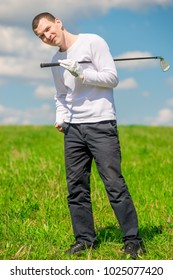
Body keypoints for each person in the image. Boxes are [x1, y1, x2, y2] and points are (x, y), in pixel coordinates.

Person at [32, 12, 143, 259]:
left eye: (48, 29)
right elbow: (61, 96)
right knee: (76, 188)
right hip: (73, 129)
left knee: (114, 184)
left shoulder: (92, 42)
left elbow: (112, 78)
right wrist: (61, 117)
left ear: (58, 22)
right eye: (41, 36)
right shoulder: (55, 60)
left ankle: (133, 240)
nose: (47, 36)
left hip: (101, 124)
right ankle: (85, 239)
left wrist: (82, 73)